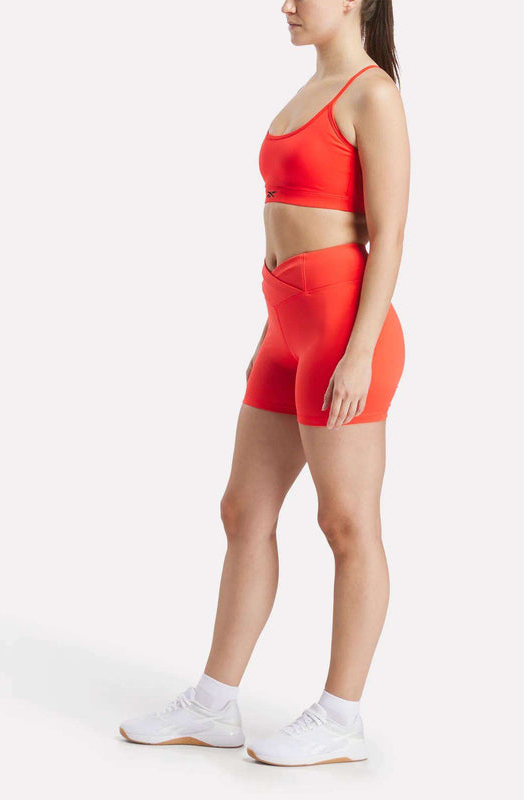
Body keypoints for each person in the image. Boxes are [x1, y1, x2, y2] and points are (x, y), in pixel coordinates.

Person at [119, 0, 410, 767]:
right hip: (285, 330)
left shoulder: (371, 94)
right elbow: (282, 227)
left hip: (346, 332)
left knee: (347, 525)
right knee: (243, 509)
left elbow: (388, 236)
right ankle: (214, 703)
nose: (285, 4)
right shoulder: (307, 90)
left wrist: (358, 349)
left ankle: (340, 717)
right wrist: (269, 339)